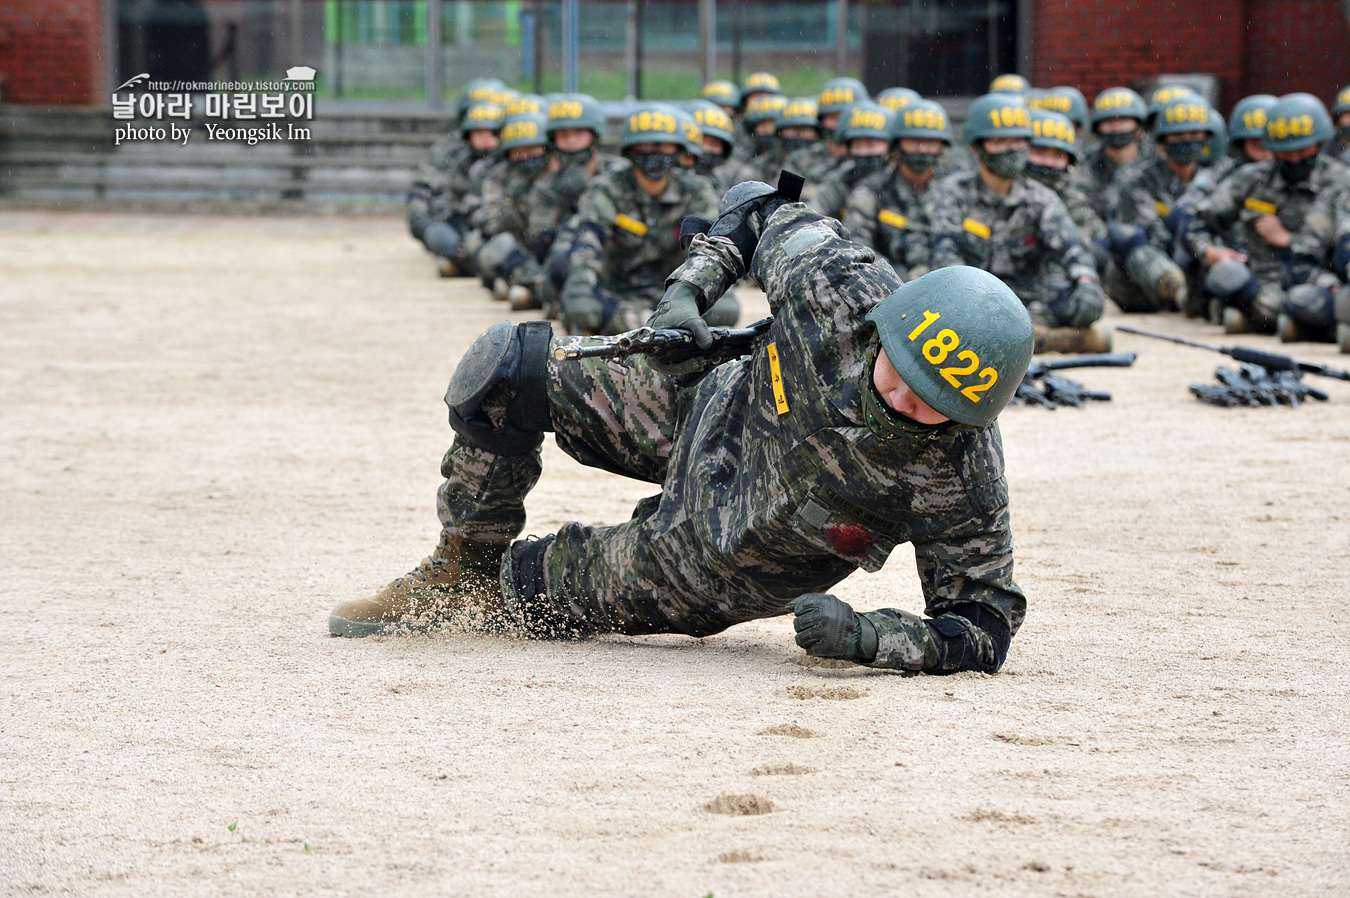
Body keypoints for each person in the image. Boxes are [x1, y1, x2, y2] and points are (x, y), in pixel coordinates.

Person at [329, 183, 1035, 675]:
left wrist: (872, 637)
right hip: (704, 406)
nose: (906, 400)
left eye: (931, 405)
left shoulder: (961, 474)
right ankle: (460, 569)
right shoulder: (844, 289)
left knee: (526, 592)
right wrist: (688, 291)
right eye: (899, 375)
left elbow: (981, 625)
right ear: (886, 329)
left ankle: (493, 587)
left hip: (712, 561)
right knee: (503, 369)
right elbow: (758, 208)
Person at [929, 93, 1108, 353]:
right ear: (976, 148)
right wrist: (975, 306)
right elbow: (945, 259)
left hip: (1030, 302)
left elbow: (1072, 247)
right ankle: (1052, 340)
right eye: (1000, 141)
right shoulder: (953, 193)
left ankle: (1021, 338)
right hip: (972, 303)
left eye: (1018, 141)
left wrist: (1086, 281)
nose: (1011, 150)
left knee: (1085, 304)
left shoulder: (1041, 197)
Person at [1183, 93, 1350, 333]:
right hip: (1264, 284)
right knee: (1226, 277)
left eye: (1303, 150)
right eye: (1286, 151)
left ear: (1319, 144)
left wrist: (1288, 239)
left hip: (1320, 280)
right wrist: (1210, 251)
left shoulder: (1340, 180)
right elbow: (1197, 220)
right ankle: (1305, 325)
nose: (1294, 158)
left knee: (1308, 301)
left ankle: (1292, 323)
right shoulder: (1252, 179)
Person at [556, 103, 721, 336]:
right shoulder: (606, 188)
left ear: (678, 151)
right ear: (631, 151)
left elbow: (707, 249)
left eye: (663, 146)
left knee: (724, 309)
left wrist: (700, 288)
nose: (654, 153)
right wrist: (581, 287)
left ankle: (656, 324)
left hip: (676, 292)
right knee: (583, 310)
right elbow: (588, 243)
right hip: (616, 293)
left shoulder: (695, 190)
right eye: (645, 146)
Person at [1105, 95, 1213, 315]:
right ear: (1164, 140)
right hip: (1137, 288)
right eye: (1178, 135)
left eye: (1194, 134)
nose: (1186, 141)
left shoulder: (1214, 181)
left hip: (1191, 266)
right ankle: (1179, 290)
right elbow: (1150, 235)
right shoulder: (1138, 180)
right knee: (1139, 248)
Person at [841, 98, 951, 279]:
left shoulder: (953, 186)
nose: (922, 150)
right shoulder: (872, 189)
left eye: (931, 142)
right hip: (891, 285)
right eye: (914, 141)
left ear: (942, 146)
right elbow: (856, 243)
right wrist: (897, 276)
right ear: (898, 145)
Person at [412, 100, 504, 277]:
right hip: (468, 227)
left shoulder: (508, 165)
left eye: (491, 132)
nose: (485, 138)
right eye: (479, 132)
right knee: (439, 236)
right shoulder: (459, 164)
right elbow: (447, 202)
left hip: (497, 227)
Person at [1024, 108, 1108, 275]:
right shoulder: (1003, 191)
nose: (1048, 162)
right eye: (1039, 152)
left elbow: (1082, 246)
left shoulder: (1074, 197)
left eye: (1058, 155)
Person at [809, 101, 895, 220]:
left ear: (890, 147)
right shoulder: (843, 178)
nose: (864, 152)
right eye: (858, 145)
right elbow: (814, 211)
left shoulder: (901, 179)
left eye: (871, 145)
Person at [1074, 86, 1149, 223]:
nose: (1116, 128)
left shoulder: (1153, 162)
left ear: (1139, 126)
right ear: (1098, 128)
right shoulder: (1087, 165)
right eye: (1109, 122)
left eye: (1124, 120)